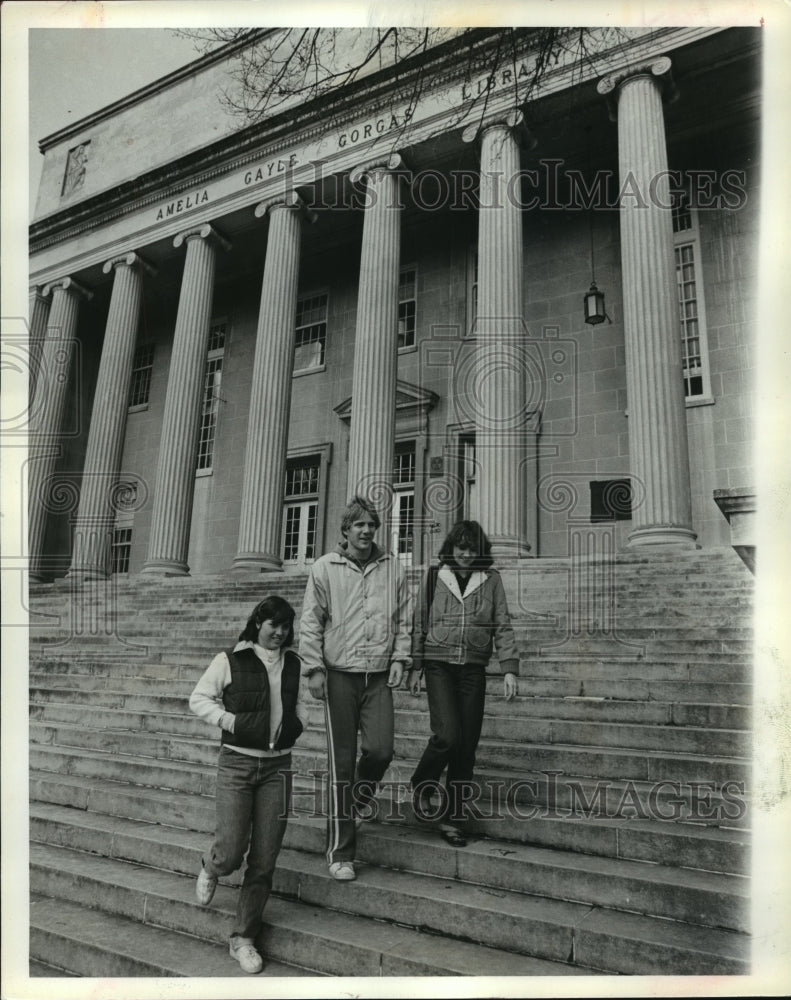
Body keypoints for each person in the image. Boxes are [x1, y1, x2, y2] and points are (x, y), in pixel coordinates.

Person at [189, 595, 304, 975]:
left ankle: (243, 938)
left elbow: (296, 706)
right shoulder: (231, 659)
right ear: (258, 623)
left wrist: (296, 726)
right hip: (237, 764)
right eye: (274, 625)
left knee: (265, 859)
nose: (280, 632)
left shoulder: (294, 664)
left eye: (286, 626)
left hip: (278, 767)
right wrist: (232, 722)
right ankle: (211, 865)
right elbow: (198, 699)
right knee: (231, 852)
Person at [299, 495, 412, 881]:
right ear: (345, 530)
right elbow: (311, 620)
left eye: (371, 525)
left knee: (381, 750)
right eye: (359, 525)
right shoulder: (324, 567)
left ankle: (357, 802)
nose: (366, 531)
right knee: (342, 765)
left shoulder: (392, 567)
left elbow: (404, 618)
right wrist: (313, 668)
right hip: (339, 676)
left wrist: (400, 658)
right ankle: (340, 852)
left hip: (377, 675)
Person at [407, 520, 518, 847]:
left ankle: (452, 818)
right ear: (451, 548)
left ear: (479, 550)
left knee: (466, 745)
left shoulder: (491, 580)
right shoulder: (434, 577)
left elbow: (502, 623)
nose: (466, 554)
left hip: (473, 668)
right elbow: (419, 621)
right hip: (438, 665)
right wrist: (416, 666)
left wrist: (509, 668)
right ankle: (422, 783)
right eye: (461, 548)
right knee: (447, 735)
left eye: (472, 549)